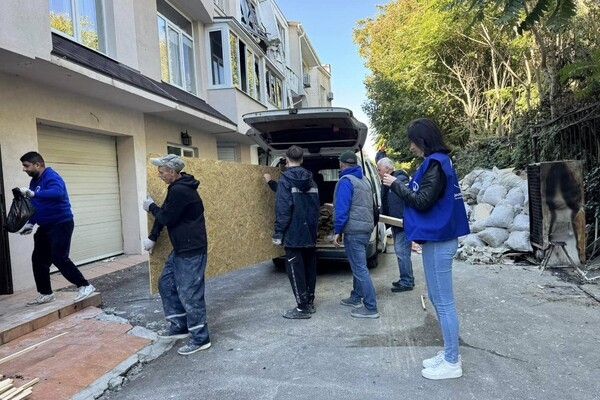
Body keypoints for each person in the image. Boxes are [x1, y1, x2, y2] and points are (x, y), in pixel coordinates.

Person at [382, 118, 469, 380]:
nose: (410, 147)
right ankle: (450, 352)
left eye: (412, 141)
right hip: (436, 239)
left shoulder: (436, 164)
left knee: (443, 302)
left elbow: (421, 201)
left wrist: (395, 185)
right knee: (436, 297)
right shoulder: (438, 162)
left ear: (422, 140)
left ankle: (452, 362)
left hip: (440, 241)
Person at [143, 154, 211, 356]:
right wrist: (153, 236)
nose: (159, 175)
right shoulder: (176, 188)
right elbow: (167, 213)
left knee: (190, 293)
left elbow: (165, 216)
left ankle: (200, 338)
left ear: (172, 172)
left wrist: (151, 207)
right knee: (166, 283)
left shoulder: (180, 191)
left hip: (191, 250)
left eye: (161, 172)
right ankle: (180, 325)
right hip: (181, 248)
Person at [18, 151, 96, 306]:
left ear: (38, 164)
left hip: (61, 223)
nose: (24, 169)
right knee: (38, 259)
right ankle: (46, 293)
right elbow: (36, 204)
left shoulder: (52, 176)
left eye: (26, 166)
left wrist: (34, 193)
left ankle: (85, 286)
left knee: (59, 257)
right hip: (45, 226)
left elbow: (57, 193)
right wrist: (31, 223)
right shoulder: (34, 181)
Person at [272, 146, 320, 319]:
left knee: (295, 269)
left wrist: (278, 233)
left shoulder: (285, 180)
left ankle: (302, 308)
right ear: (302, 159)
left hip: (293, 234)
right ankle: (309, 302)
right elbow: (316, 208)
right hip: (310, 232)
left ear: (286, 159)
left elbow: (283, 210)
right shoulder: (311, 181)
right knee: (309, 268)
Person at [334, 150, 379, 319]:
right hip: (365, 229)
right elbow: (373, 206)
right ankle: (355, 297)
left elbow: (342, 208)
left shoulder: (346, 181)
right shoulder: (365, 180)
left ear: (341, 164)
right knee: (358, 265)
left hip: (353, 231)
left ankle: (371, 307)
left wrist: (338, 231)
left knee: (360, 269)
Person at [376, 157, 414, 292]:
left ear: (387, 169)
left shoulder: (400, 181)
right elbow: (387, 203)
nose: (378, 172)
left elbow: (408, 198)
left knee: (402, 252)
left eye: (379, 169)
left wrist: (403, 219)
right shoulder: (386, 183)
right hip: (395, 224)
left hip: (403, 224)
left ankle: (407, 281)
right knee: (401, 252)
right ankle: (406, 278)